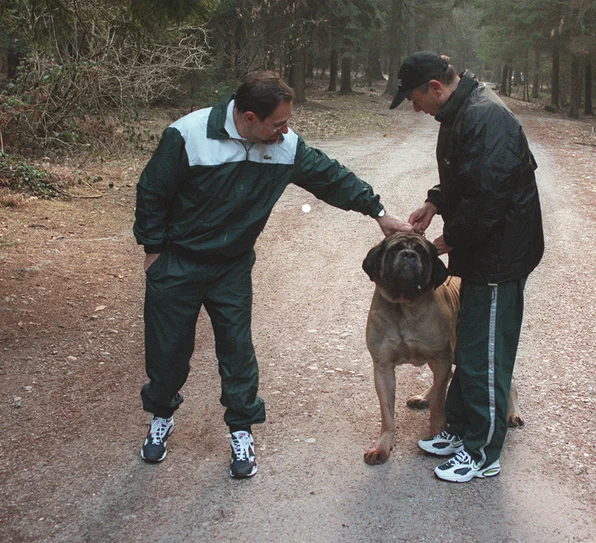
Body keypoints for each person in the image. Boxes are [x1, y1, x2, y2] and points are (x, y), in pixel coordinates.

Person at [133, 70, 412, 478]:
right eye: (277, 124)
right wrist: (153, 251)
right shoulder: (188, 135)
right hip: (178, 262)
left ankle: (241, 431)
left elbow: (330, 177)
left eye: (287, 123)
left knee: (237, 349)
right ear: (248, 118)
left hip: (231, 266)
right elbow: (152, 192)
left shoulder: (284, 147)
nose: (285, 132)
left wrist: (379, 212)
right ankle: (161, 415)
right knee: (167, 349)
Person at [390, 52, 544, 483]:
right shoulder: (461, 114)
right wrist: (434, 201)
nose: (415, 108)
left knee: (487, 357)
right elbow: (465, 176)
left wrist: (448, 241)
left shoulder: (487, 118)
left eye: (415, 99)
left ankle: (482, 453)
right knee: (469, 349)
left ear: (435, 88)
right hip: (481, 255)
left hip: (499, 256)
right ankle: (460, 430)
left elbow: (488, 197)